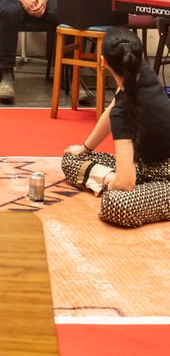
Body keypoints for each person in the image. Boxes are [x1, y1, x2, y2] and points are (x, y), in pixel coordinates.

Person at [61, 28, 170, 228]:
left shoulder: (122, 112)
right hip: (146, 166)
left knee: (115, 202)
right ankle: (143, 186)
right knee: (71, 159)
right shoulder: (139, 69)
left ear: (102, 62)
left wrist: (110, 183)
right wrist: (85, 148)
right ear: (141, 56)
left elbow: (126, 184)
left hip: (163, 175)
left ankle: (145, 188)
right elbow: (113, 108)